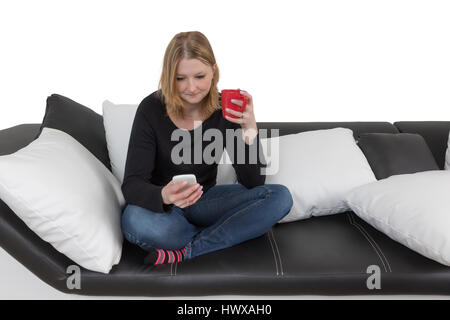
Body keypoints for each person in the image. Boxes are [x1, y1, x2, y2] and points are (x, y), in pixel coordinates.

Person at [121, 31, 293, 265]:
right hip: (165, 209)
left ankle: (188, 251)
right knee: (133, 220)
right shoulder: (151, 109)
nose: (191, 88)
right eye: (180, 78)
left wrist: (249, 129)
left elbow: (253, 183)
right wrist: (164, 195)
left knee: (280, 196)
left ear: (214, 70)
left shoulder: (225, 108)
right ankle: (221, 234)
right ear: (169, 76)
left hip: (206, 200)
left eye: (199, 76)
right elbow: (132, 184)